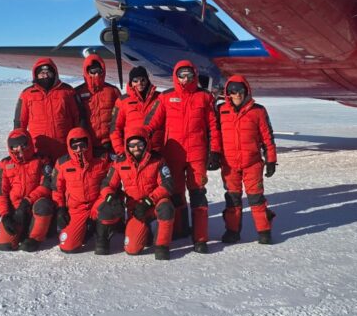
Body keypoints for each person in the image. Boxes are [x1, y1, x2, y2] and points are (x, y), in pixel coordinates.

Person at [145, 60, 222, 254]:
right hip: (173, 155)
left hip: (196, 155)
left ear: (195, 75)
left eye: (189, 75)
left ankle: (200, 238)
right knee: (175, 194)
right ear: (175, 76)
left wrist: (215, 151)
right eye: (182, 75)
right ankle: (178, 231)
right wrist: (141, 144)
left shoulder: (204, 97)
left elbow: (213, 127)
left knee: (198, 195)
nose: (185, 79)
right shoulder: (166, 97)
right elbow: (151, 125)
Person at [95, 127, 175, 259]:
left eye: (140, 144)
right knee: (132, 249)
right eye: (132, 145)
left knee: (166, 208)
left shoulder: (157, 160)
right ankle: (144, 231)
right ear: (127, 146)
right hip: (136, 209)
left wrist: (149, 201)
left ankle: (162, 246)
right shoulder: (120, 162)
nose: (136, 148)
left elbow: (168, 185)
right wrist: (111, 198)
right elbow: (106, 185)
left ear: (146, 144)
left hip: (154, 203)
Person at [217, 75, 278, 244]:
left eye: (240, 91)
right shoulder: (221, 111)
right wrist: (213, 154)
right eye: (233, 92)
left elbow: (267, 137)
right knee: (232, 199)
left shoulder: (258, 111)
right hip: (229, 165)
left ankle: (264, 232)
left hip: (252, 164)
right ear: (228, 93)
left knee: (256, 199)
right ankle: (232, 231)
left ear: (247, 92)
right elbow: (214, 136)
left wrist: (271, 160)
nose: (237, 95)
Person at [53, 127, 111, 254]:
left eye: (82, 145)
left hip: (97, 203)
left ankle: (103, 235)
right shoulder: (62, 163)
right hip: (77, 208)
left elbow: (113, 179)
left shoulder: (102, 158)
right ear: (69, 146)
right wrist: (61, 208)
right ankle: (86, 229)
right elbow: (57, 189)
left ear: (88, 144)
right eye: (75, 146)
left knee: (112, 204)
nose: (79, 149)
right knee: (68, 246)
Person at [0, 128, 54, 252]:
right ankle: (19, 232)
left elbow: (46, 185)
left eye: (23, 144)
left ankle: (35, 238)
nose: (19, 149)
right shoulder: (4, 164)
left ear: (29, 143)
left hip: (32, 206)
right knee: (4, 245)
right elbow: (0, 192)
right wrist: (4, 215)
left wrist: (27, 201)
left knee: (44, 204)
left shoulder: (42, 160)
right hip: (15, 211)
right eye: (14, 146)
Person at [14, 57, 83, 164]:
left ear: (54, 73)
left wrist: (80, 140)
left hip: (64, 148)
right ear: (36, 75)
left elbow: (78, 117)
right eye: (41, 73)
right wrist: (17, 144)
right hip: (38, 148)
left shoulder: (67, 91)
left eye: (48, 72)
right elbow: (20, 122)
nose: (45, 76)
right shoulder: (27, 94)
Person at [109, 65, 164, 154]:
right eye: (135, 81)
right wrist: (120, 150)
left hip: (156, 150)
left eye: (143, 80)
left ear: (147, 80)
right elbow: (114, 128)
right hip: (133, 150)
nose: (139, 83)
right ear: (131, 82)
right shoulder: (122, 101)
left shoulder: (160, 98)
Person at [74, 54, 122, 156]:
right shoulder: (77, 92)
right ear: (87, 72)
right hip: (87, 144)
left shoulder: (113, 91)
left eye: (99, 71)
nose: (96, 74)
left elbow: (121, 116)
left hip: (110, 143)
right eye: (93, 71)